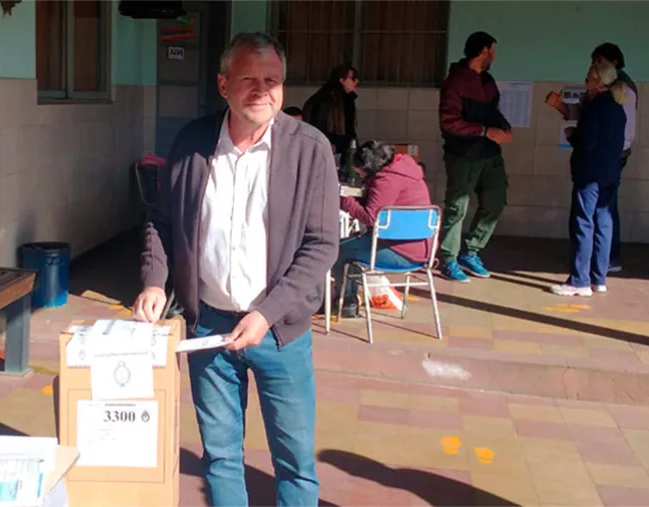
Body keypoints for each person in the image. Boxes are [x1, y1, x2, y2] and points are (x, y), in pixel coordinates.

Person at [133, 32, 339, 506]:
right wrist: (154, 281)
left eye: (273, 80)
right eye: (249, 79)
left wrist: (267, 313)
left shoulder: (310, 150)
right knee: (221, 458)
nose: (262, 91)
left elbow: (321, 245)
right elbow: (161, 220)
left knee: (295, 464)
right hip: (209, 327)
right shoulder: (192, 142)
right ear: (223, 84)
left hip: (279, 334)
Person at [546, 43, 637, 273]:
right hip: (607, 160)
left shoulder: (620, 93)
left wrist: (575, 138)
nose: (592, 67)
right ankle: (599, 271)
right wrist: (561, 107)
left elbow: (610, 134)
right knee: (602, 215)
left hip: (600, 162)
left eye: (598, 62)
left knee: (587, 217)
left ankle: (584, 274)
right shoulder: (605, 99)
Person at [437, 31, 513, 283]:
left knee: (496, 201)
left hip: (490, 153)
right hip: (463, 154)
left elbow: (494, 113)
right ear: (483, 51)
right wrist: (484, 131)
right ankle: (448, 259)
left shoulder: (488, 81)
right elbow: (449, 122)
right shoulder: (455, 81)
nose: (494, 57)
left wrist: (504, 128)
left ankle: (471, 250)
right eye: (493, 51)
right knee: (457, 206)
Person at [334, 141, 435, 317]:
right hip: (423, 250)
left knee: (337, 250)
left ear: (370, 168)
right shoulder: (407, 171)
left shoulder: (386, 180)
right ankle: (348, 300)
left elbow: (371, 218)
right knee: (351, 247)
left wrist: (344, 201)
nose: (360, 175)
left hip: (400, 252)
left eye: (361, 172)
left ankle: (347, 302)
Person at [302, 64, 359, 161]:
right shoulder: (337, 99)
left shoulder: (324, 96)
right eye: (353, 78)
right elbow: (348, 130)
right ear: (342, 80)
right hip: (334, 147)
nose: (356, 81)